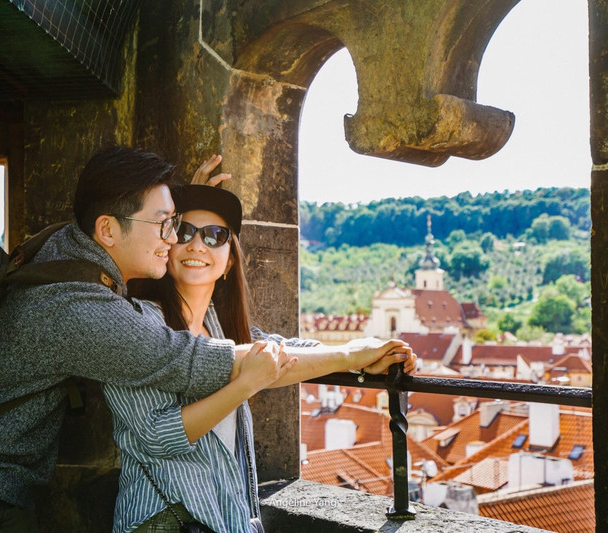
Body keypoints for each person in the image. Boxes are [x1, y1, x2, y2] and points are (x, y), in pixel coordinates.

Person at [0, 146, 409, 532]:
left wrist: (179, 207)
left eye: (204, 234)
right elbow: (191, 363)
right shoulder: (81, 309)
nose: (175, 239)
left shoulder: (66, 250)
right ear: (108, 231)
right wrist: (350, 353)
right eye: (170, 227)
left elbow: (260, 341)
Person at [104, 183, 417, 532]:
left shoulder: (222, 329)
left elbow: (286, 352)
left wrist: (359, 355)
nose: (197, 245)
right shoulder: (137, 322)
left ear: (230, 260)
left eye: (214, 236)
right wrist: (245, 385)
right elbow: (157, 436)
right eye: (185, 232)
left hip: (224, 519)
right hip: (162, 520)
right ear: (167, 246)